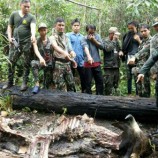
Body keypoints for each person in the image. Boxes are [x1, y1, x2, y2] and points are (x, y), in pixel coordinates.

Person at [3, 0, 36, 91]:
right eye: (25, 6)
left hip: (26, 43)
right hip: (15, 42)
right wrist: (10, 37)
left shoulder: (31, 17)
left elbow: (33, 27)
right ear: (20, 5)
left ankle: (24, 83)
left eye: (28, 7)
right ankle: (10, 82)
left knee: (26, 63)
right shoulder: (14, 14)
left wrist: (33, 35)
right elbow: (10, 26)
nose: (27, 8)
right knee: (11, 62)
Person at [49, 17, 77, 91]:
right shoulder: (52, 37)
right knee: (60, 86)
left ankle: (73, 101)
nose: (61, 27)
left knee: (71, 85)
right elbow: (55, 46)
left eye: (63, 25)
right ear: (55, 26)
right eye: (59, 25)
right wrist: (64, 52)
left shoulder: (66, 37)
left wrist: (72, 53)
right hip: (58, 64)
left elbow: (70, 49)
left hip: (67, 64)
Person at [137, 18, 158, 106]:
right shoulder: (155, 38)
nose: (157, 27)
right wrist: (143, 71)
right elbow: (154, 56)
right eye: (155, 26)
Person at [129, 24, 151, 97]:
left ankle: (147, 105)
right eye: (142, 31)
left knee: (145, 88)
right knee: (139, 88)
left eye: (145, 31)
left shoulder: (151, 40)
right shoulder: (143, 42)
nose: (143, 33)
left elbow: (144, 51)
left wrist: (135, 57)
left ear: (149, 30)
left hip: (146, 67)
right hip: (139, 67)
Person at [31, 23, 54, 94]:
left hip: (49, 63)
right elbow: (36, 50)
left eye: (44, 30)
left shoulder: (51, 40)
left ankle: (46, 87)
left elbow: (54, 51)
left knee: (47, 84)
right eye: (41, 30)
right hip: (40, 61)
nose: (43, 32)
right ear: (39, 31)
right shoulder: (36, 40)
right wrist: (41, 58)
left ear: (47, 30)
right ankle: (37, 84)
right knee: (34, 63)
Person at [81, 24, 104, 95]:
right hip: (88, 63)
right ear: (87, 31)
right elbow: (85, 47)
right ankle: (89, 98)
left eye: (93, 32)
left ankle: (99, 96)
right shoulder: (83, 38)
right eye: (90, 32)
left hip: (97, 62)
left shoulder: (97, 36)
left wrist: (94, 40)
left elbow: (102, 47)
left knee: (99, 80)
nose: (91, 34)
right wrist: (89, 56)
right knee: (88, 82)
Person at [66, 18, 86, 93]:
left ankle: (84, 92)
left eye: (78, 25)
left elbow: (84, 48)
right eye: (75, 25)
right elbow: (68, 45)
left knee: (83, 77)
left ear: (80, 26)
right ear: (72, 26)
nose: (76, 27)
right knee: (70, 78)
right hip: (71, 60)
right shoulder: (68, 35)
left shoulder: (82, 37)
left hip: (81, 60)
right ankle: (72, 93)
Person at [122, 21, 141, 95]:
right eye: (129, 28)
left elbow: (143, 45)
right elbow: (124, 46)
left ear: (136, 27)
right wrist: (122, 53)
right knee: (129, 76)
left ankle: (137, 93)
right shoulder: (127, 35)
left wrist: (137, 36)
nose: (130, 30)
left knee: (136, 75)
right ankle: (129, 93)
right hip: (128, 56)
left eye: (132, 28)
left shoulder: (139, 34)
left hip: (137, 57)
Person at [103, 27, 123, 95]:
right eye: (115, 34)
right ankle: (107, 97)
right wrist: (114, 40)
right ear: (111, 34)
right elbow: (107, 49)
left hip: (116, 65)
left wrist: (120, 52)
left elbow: (120, 49)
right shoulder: (105, 40)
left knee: (116, 82)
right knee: (108, 83)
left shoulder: (117, 41)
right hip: (109, 66)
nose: (117, 36)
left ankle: (116, 97)